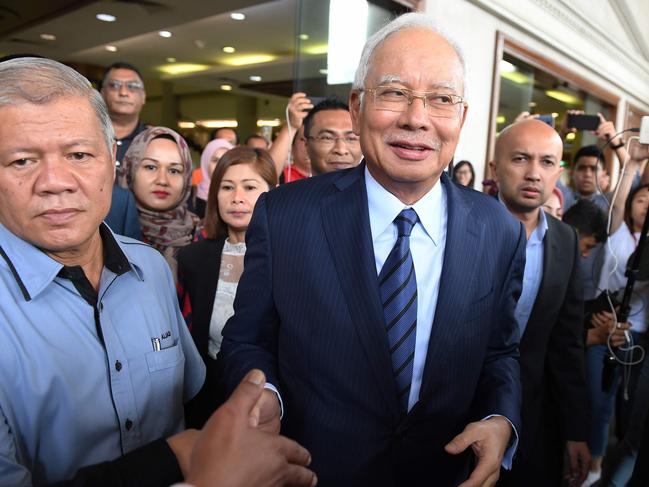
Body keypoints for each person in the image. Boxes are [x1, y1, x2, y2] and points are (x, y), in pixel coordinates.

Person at [219, 13, 525, 486]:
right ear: (358, 106)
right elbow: (248, 339)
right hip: (312, 471)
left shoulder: (499, 230)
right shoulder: (284, 216)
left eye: (441, 99)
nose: (416, 118)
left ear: (461, 117)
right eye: (395, 92)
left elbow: (499, 353)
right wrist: (265, 396)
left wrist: (500, 419)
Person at [488, 119, 590, 487]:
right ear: (494, 167)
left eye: (547, 162)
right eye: (520, 159)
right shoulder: (463, 225)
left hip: (534, 422)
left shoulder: (565, 240)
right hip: (454, 415)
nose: (534, 173)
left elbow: (566, 346)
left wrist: (576, 429)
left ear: (558, 173)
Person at [177, 147, 278, 427]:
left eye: (250, 187)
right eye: (227, 187)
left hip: (274, 403)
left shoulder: (291, 257)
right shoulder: (192, 259)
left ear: (273, 192)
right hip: (207, 403)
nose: (237, 198)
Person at [597, 139, 649, 487]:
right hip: (603, 330)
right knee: (600, 406)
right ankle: (594, 466)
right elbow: (615, 204)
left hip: (638, 337)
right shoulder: (616, 234)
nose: (646, 206)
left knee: (630, 413)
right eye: (641, 199)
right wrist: (631, 163)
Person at [117, 127, 199, 280]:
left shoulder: (203, 236)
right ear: (130, 171)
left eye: (174, 171)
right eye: (151, 167)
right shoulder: (106, 232)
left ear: (186, 178)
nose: (162, 180)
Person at [100, 61, 148, 165]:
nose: (123, 92)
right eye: (114, 85)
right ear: (102, 93)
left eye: (133, 86)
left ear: (143, 96)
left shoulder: (154, 140)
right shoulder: (84, 134)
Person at [303, 97, 363, 175]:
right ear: (307, 145)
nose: (341, 150)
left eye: (351, 139)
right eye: (327, 138)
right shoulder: (294, 187)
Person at [194, 138, 234, 218]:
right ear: (206, 163)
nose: (221, 166)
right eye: (215, 160)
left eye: (225, 161)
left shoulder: (239, 196)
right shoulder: (190, 197)